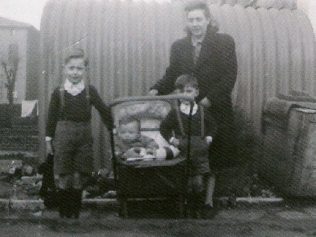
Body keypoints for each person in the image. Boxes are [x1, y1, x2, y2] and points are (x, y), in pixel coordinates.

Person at [149, 0, 237, 212]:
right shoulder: (179, 47)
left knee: (212, 156)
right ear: (186, 22)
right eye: (191, 20)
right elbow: (171, 75)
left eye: (199, 19)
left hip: (215, 109)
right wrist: (156, 89)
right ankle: (190, 201)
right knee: (189, 154)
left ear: (208, 19)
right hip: (187, 113)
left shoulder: (224, 42)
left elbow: (229, 76)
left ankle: (207, 202)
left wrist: (209, 99)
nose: (195, 24)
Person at [45, 48, 112, 218]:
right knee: (64, 175)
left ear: (85, 70)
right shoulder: (58, 92)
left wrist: (113, 128)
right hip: (63, 138)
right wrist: (48, 140)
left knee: (79, 176)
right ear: (64, 68)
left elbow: (104, 110)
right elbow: (51, 118)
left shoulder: (90, 91)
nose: (75, 72)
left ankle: (74, 215)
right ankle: (64, 215)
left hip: (83, 137)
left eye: (79, 68)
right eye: (71, 68)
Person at [160, 74, 217, 218]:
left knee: (198, 182)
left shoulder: (203, 111)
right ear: (177, 95)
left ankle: (198, 208)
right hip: (183, 151)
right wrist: (173, 140)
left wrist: (209, 138)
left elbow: (213, 126)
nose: (186, 96)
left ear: (196, 92)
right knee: (186, 182)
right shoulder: (175, 113)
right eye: (182, 93)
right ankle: (186, 207)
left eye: (189, 91)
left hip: (200, 151)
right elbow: (164, 128)